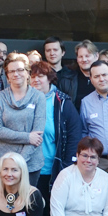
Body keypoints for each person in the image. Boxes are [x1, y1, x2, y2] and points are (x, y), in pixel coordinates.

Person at [0, 53, 47, 185]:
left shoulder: (38, 97)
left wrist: (18, 162)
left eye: (20, 70)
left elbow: (37, 135)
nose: (16, 74)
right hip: (4, 164)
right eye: (12, 71)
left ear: (28, 73)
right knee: (7, 203)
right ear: (7, 76)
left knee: (28, 203)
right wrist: (27, 137)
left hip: (31, 163)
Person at [28, 62, 82, 198]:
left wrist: (68, 164)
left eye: (40, 76)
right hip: (27, 166)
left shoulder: (62, 101)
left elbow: (74, 134)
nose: (36, 80)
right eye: (32, 76)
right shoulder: (23, 100)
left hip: (54, 167)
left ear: (49, 78)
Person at [44, 36, 76, 105]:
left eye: (55, 50)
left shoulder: (73, 75)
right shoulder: (41, 76)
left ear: (63, 52)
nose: (52, 53)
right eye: (48, 50)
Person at [70, 40, 99, 106]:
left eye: (87, 56)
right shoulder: (68, 80)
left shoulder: (104, 79)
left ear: (96, 56)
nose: (84, 59)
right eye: (80, 57)